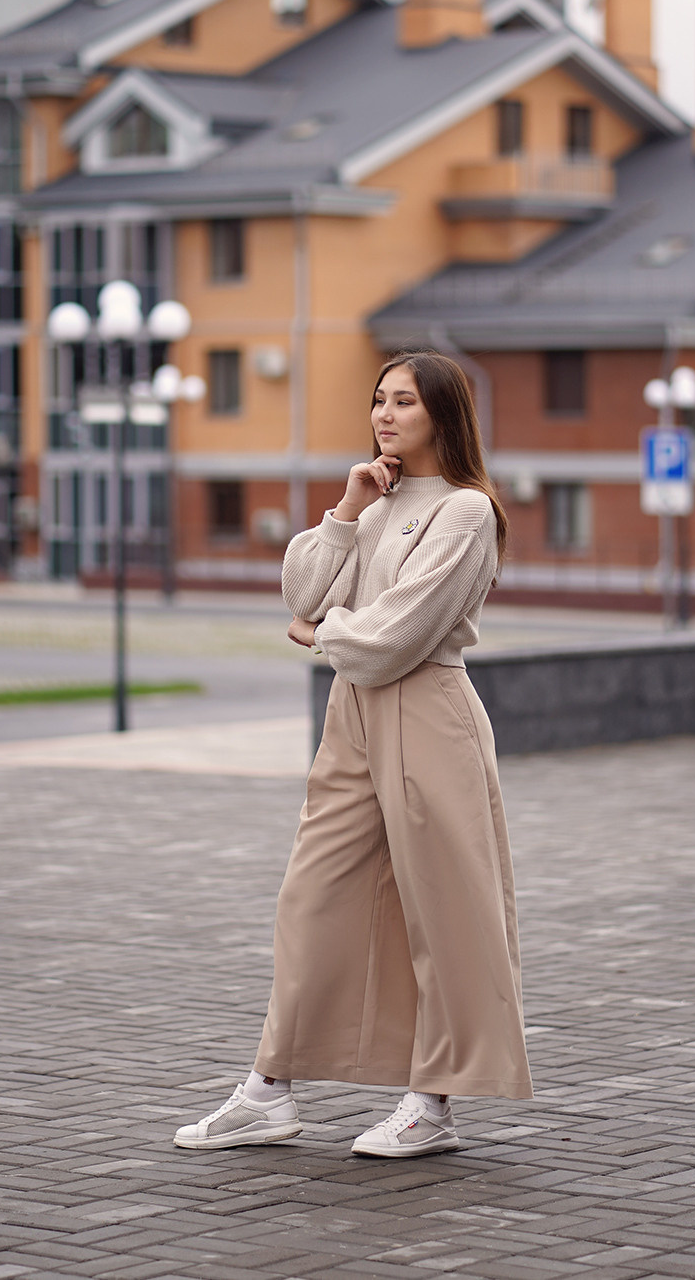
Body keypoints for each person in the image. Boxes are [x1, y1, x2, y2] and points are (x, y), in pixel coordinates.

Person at [175, 350, 533, 1157]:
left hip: (428, 711)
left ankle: (433, 1103)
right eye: (378, 400)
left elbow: (394, 635)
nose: (384, 415)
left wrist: (320, 635)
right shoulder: (376, 502)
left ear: (442, 414)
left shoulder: (466, 512)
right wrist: (345, 510)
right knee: (311, 897)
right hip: (354, 716)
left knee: (444, 912)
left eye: (403, 401)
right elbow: (303, 592)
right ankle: (269, 1091)